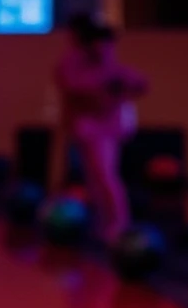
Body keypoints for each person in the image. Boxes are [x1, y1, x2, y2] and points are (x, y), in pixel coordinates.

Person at [55, 14, 149, 245]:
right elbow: (73, 86)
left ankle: (119, 224)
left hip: (105, 128)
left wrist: (117, 89)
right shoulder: (76, 63)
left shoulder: (110, 68)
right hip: (88, 127)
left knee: (105, 176)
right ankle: (105, 224)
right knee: (96, 178)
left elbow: (140, 83)